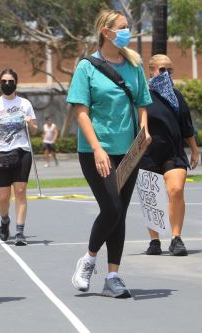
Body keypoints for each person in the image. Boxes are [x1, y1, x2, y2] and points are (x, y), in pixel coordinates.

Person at [66, 9, 152, 298]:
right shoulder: (86, 67)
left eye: (128, 27)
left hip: (129, 150)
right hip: (96, 151)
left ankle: (113, 276)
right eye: (122, 27)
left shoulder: (135, 65)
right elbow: (81, 111)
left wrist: (144, 127)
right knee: (112, 207)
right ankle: (88, 260)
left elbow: (142, 102)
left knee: (121, 214)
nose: (128, 32)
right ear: (106, 31)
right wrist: (97, 148)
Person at [141, 54, 199, 256]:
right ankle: (154, 240)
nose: (166, 74)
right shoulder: (142, 96)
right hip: (147, 155)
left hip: (173, 152)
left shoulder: (176, 96)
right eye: (162, 70)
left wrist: (193, 149)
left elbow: (187, 126)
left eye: (169, 70)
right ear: (151, 71)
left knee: (175, 190)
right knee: (151, 199)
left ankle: (176, 238)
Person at [0, 68, 38, 246]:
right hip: (1, 151)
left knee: (20, 191)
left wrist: (29, 123)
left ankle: (20, 232)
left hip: (22, 150)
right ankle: (5, 220)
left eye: (10, 81)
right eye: (4, 81)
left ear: (16, 83)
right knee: (3, 197)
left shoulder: (25, 103)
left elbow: (34, 129)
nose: (7, 84)